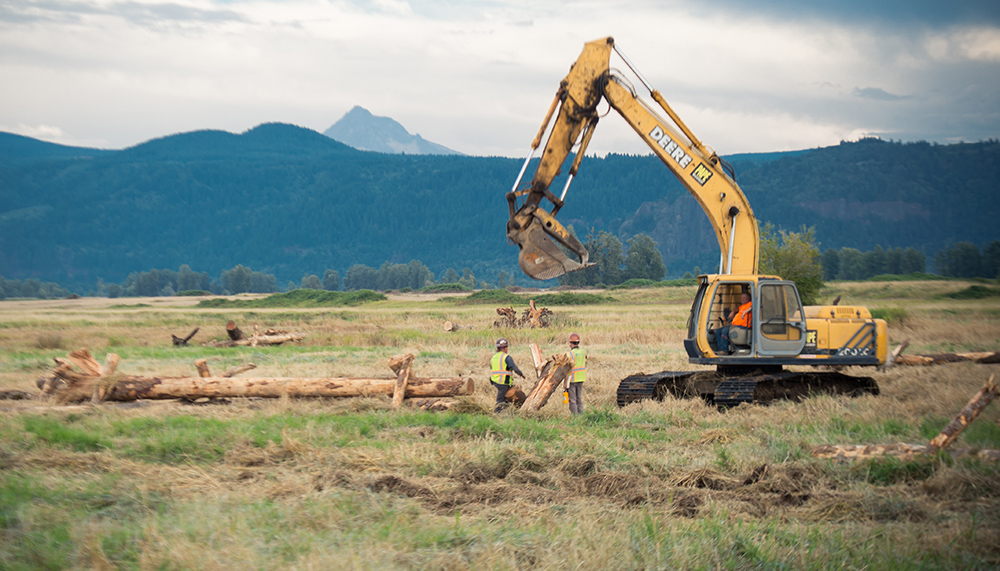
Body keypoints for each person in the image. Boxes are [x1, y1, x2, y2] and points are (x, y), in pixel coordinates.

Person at [490, 338, 525, 412]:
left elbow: (492, 367)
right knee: (500, 399)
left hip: (495, 381)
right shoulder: (506, 357)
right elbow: (514, 367)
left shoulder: (494, 357)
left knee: (505, 398)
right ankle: (496, 413)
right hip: (503, 381)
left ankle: (505, 411)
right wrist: (521, 374)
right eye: (506, 347)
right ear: (504, 348)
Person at [562, 333, 587, 415]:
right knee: (579, 398)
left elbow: (567, 370)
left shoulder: (569, 354)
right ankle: (581, 415)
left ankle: (575, 417)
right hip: (581, 378)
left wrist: (565, 383)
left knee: (572, 400)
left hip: (572, 379)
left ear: (571, 343)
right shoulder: (583, 352)